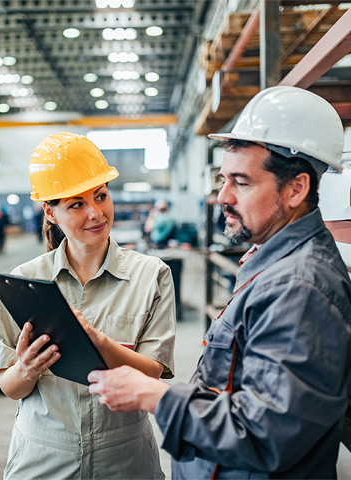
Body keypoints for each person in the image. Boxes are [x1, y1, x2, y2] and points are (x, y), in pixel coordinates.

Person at [88, 86, 351, 478]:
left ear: (297, 188)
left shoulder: (301, 287)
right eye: (223, 179)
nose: (223, 197)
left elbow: (268, 433)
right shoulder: (271, 261)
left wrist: (155, 395)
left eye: (241, 182)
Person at [0, 132, 176, 479]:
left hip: (125, 457)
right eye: (76, 204)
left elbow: (152, 372)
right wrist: (27, 368)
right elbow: (9, 386)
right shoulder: (25, 281)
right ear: (51, 212)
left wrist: (97, 342)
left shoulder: (151, 275)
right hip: (43, 456)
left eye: (101, 196)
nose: (96, 213)